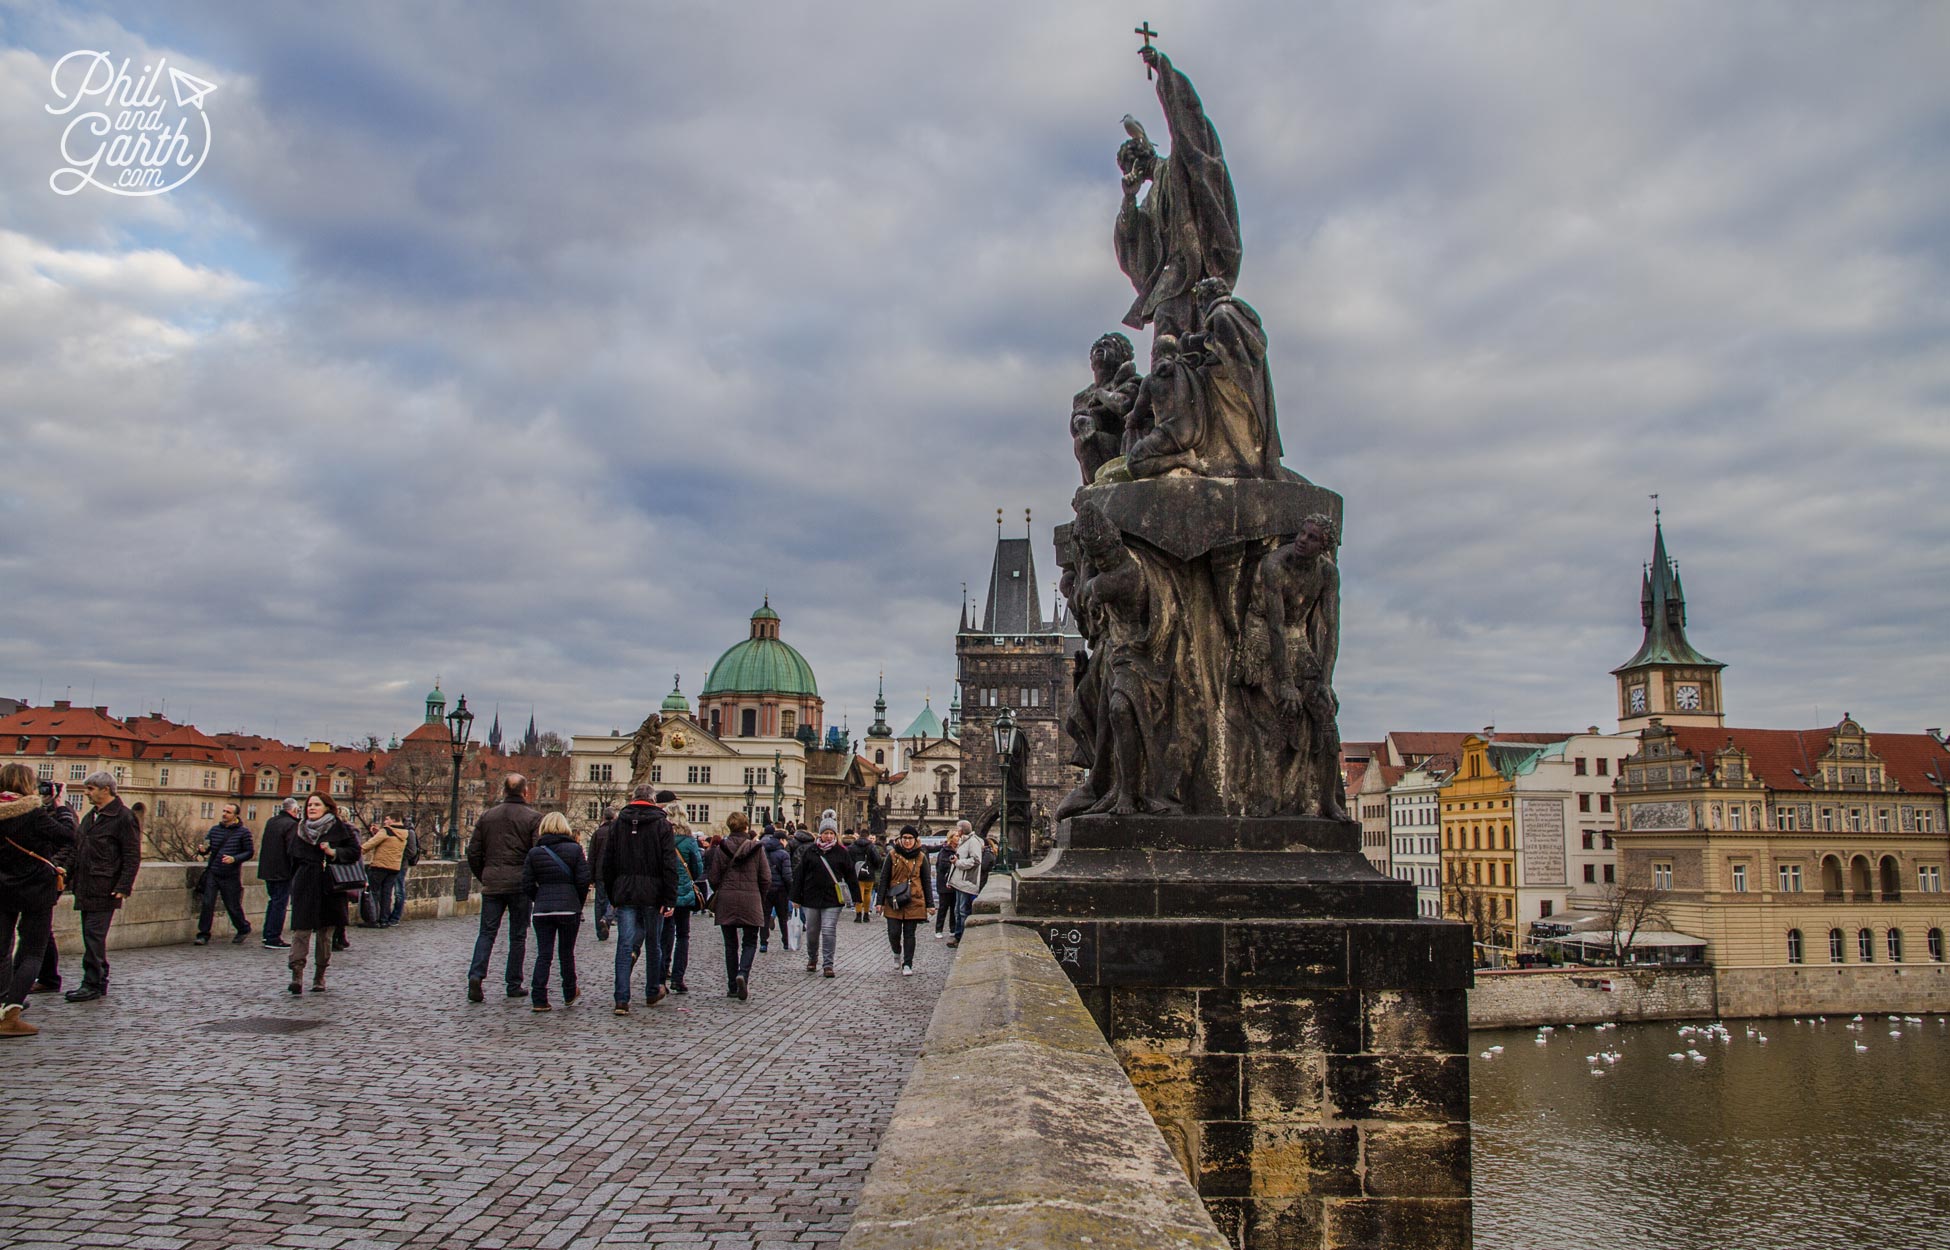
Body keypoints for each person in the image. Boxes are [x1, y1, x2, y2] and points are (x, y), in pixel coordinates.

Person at [0, 766, 75, 1038]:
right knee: (33, 951)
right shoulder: (33, 814)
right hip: (36, 890)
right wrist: (62, 807)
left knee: (1, 950)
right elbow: (68, 835)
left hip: (2, 888)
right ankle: (10, 1014)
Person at [55, 772, 141, 1002]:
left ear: (106, 789)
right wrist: (64, 871)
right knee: (91, 935)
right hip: (86, 885)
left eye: (91, 789)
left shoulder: (123, 817)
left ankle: (91, 983)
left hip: (105, 886)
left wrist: (124, 885)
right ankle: (99, 979)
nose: (86, 793)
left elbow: (132, 854)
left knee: (94, 936)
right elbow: (78, 849)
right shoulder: (91, 816)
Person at [598, 785, 680, 1015]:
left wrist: (612, 894)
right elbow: (669, 864)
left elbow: (608, 862)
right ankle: (653, 990)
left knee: (624, 945)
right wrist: (669, 898)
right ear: (653, 800)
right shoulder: (663, 825)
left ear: (633, 798)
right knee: (653, 944)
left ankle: (621, 998)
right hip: (654, 893)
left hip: (625, 892)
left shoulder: (618, 824)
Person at [465, 774, 543, 1003]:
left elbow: (473, 852)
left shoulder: (487, 816)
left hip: (493, 882)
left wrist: (484, 874)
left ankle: (476, 975)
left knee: (487, 933)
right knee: (518, 936)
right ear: (525, 792)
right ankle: (513, 983)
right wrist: (532, 881)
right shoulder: (533, 818)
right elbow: (537, 853)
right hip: (519, 883)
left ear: (503, 792)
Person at [285, 792, 361, 995]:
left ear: (327, 807)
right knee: (301, 931)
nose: (311, 808)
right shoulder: (300, 829)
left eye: (316, 805)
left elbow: (354, 853)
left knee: (325, 933)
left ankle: (319, 975)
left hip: (330, 886)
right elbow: (291, 857)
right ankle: (297, 974)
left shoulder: (341, 828)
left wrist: (333, 852)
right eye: (309, 805)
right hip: (305, 883)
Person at [521, 812, 590, 1012]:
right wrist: (577, 901)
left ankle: (539, 997)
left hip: (543, 910)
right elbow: (583, 880)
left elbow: (526, 883)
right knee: (566, 953)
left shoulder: (534, 852)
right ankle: (569, 992)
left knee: (544, 954)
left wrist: (539, 898)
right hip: (569, 908)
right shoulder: (575, 849)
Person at [705, 811, 769, 1001]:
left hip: (727, 900)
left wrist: (721, 890)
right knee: (750, 941)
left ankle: (732, 986)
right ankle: (743, 974)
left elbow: (713, 877)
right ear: (746, 826)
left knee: (730, 945)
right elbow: (766, 878)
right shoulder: (757, 848)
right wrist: (759, 896)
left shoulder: (721, 848)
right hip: (751, 899)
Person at [790, 816, 857, 977]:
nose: (828, 836)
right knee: (812, 932)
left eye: (831, 833)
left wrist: (856, 897)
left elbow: (850, 874)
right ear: (820, 834)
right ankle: (812, 958)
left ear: (835, 835)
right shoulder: (810, 851)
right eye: (826, 833)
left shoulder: (841, 852)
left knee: (828, 930)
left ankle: (828, 964)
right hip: (811, 897)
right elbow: (800, 875)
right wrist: (796, 898)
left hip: (832, 898)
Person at [660, 794, 705, 994]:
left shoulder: (661, 839)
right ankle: (678, 978)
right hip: (684, 893)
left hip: (664, 894)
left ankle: (661, 976)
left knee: (665, 936)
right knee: (683, 935)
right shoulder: (689, 841)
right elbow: (698, 868)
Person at [193, 803, 255, 946]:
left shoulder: (243, 832)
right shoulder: (215, 830)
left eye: (228, 812)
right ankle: (203, 934)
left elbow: (249, 852)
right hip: (213, 872)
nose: (224, 814)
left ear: (235, 815)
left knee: (232, 905)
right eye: (224, 811)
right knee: (207, 903)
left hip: (230, 874)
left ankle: (243, 928)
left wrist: (234, 859)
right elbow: (207, 848)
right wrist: (202, 850)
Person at [877, 826, 935, 976]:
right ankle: (896, 951)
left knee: (910, 934)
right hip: (894, 899)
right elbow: (884, 879)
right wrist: (879, 902)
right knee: (893, 932)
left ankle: (908, 963)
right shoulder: (892, 855)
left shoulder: (921, 857)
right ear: (900, 839)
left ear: (915, 840)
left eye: (910, 838)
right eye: (905, 838)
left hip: (913, 899)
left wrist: (930, 904)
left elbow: (926, 881)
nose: (907, 841)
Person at [258, 797, 300, 949]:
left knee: (273, 901)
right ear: (294, 810)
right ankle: (273, 937)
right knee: (280, 903)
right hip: (283, 870)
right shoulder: (292, 824)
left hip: (268, 868)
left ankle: (267, 934)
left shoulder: (271, 821)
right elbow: (292, 849)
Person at [360, 817, 408, 929]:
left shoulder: (386, 831)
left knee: (373, 892)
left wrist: (356, 851)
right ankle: (384, 920)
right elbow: (388, 843)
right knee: (386, 894)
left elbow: (369, 844)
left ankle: (372, 919)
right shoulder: (404, 832)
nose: (385, 821)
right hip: (394, 867)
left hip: (380, 866)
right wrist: (377, 833)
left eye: (387, 819)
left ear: (393, 820)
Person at [946, 819, 984, 947]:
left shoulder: (973, 842)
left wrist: (958, 862)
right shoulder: (964, 841)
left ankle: (963, 938)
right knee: (957, 910)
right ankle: (958, 936)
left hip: (966, 882)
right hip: (959, 882)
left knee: (963, 911)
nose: (957, 831)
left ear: (962, 830)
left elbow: (976, 860)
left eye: (958, 828)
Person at [759, 822, 793, 953]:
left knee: (765, 916)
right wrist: (791, 890)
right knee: (783, 917)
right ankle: (785, 942)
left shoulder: (763, 851)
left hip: (766, 888)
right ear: (782, 840)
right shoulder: (783, 854)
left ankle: (763, 943)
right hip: (781, 889)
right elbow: (787, 875)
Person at [588, 807, 617, 942]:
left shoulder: (597, 833)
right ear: (614, 817)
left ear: (604, 817)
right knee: (613, 899)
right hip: (615, 872)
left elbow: (592, 856)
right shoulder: (618, 832)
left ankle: (600, 930)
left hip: (600, 872)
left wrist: (591, 876)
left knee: (599, 901)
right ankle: (607, 919)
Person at [850, 829, 882, 923]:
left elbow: (848, 859)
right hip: (869, 872)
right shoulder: (871, 846)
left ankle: (858, 914)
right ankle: (866, 914)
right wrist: (874, 867)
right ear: (868, 836)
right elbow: (877, 859)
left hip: (857, 872)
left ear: (860, 835)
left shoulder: (853, 846)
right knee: (868, 893)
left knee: (859, 894)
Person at [933, 831, 958, 939]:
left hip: (955, 883)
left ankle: (953, 928)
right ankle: (939, 929)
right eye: (956, 836)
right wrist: (953, 863)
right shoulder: (945, 850)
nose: (958, 838)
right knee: (943, 908)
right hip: (944, 883)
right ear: (951, 838)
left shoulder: (958, 850)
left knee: (954, 907)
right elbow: (942, 866)